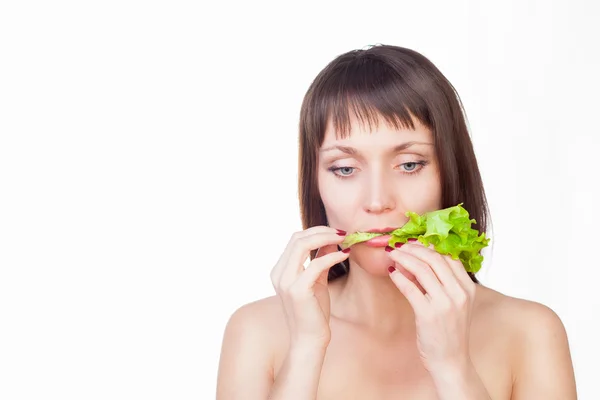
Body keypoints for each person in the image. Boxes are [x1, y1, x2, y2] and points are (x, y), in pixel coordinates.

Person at [216, 44, 577, 399]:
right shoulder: (256, 333)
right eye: (344, 168)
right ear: (316, 184)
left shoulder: (529, 333)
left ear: (449, 172)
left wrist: (453, 367)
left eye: (409, 165)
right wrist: (307, 349)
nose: (377, 201)